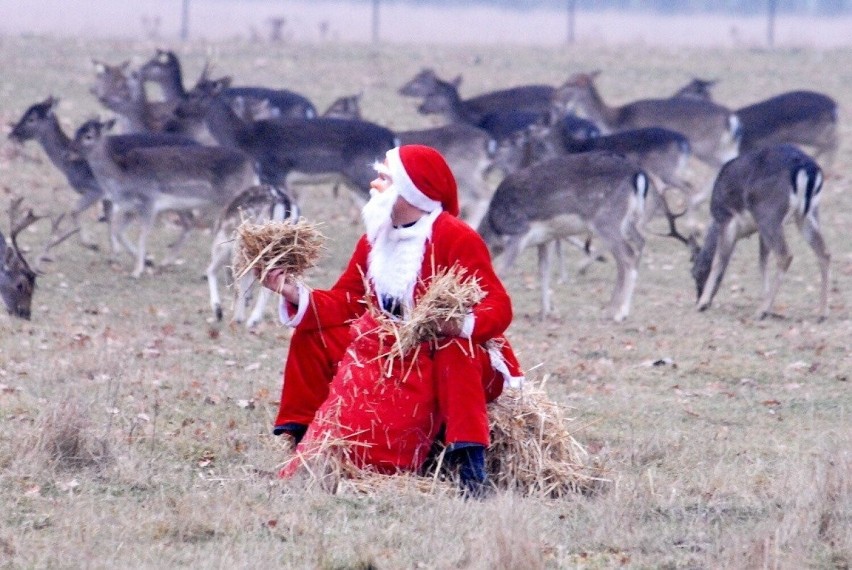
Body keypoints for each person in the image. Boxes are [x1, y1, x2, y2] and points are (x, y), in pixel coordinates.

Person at [261, 144, 523, 495]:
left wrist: (455, 324)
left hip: (439, 352)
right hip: (386, 348)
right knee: (314, 334)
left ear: (411, 188)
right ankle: (306, 440)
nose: (374, 184)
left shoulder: (455, 237)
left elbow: (499, 306)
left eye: (384, 178)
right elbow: (345, 302)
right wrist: (294, 294)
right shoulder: (375, 238)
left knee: (454, 350)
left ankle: (471, 468)